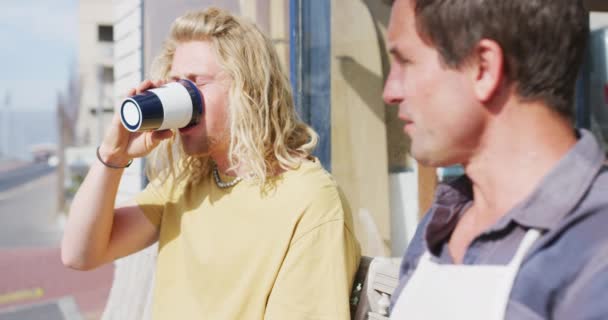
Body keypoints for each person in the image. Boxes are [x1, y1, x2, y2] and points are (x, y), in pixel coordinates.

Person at [61, 7, 360, 320]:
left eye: (195, 82)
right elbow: (79, 254)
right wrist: (113, 155)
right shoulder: (185, 183)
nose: (180, 95)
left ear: (248, 88)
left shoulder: (308, 199)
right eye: (175, 83)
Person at [383, 0, 608, 319]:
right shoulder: (442, 222)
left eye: (405, 61)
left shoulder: (595, 246)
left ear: (483, 68)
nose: (390, 92)